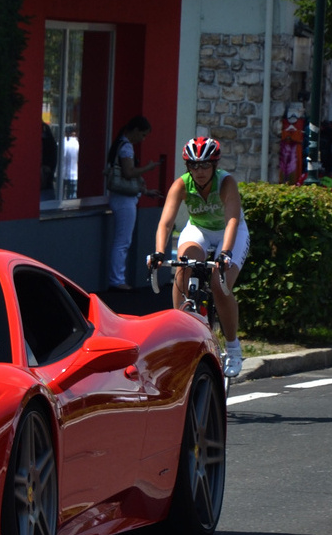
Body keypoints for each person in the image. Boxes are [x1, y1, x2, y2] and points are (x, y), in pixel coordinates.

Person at [148, 136, 250, 378]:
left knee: (219, 283)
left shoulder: (225, 183)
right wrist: (160, 252)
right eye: (194, 166)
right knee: (183, 268)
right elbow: (166, 222)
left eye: (205, 165)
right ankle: (179, 336)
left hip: (229, 231)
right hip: (200, 230)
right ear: (188, 168)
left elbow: (232, 220)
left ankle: (234, 348)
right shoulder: (182, 185)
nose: (200, 171)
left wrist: (225, 253)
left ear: (214, 166)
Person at [106, 116, 162, 290]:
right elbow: (129, 173)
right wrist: (149, 167)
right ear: (136, 130)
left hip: (120, 197)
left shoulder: (119, 144)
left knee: (122, 240)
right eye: (143, 135)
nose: (142, 139)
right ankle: (117, 280)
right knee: (123, 241)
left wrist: (145, 191)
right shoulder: (126, 147)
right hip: (124, 200)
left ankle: (117, 278)